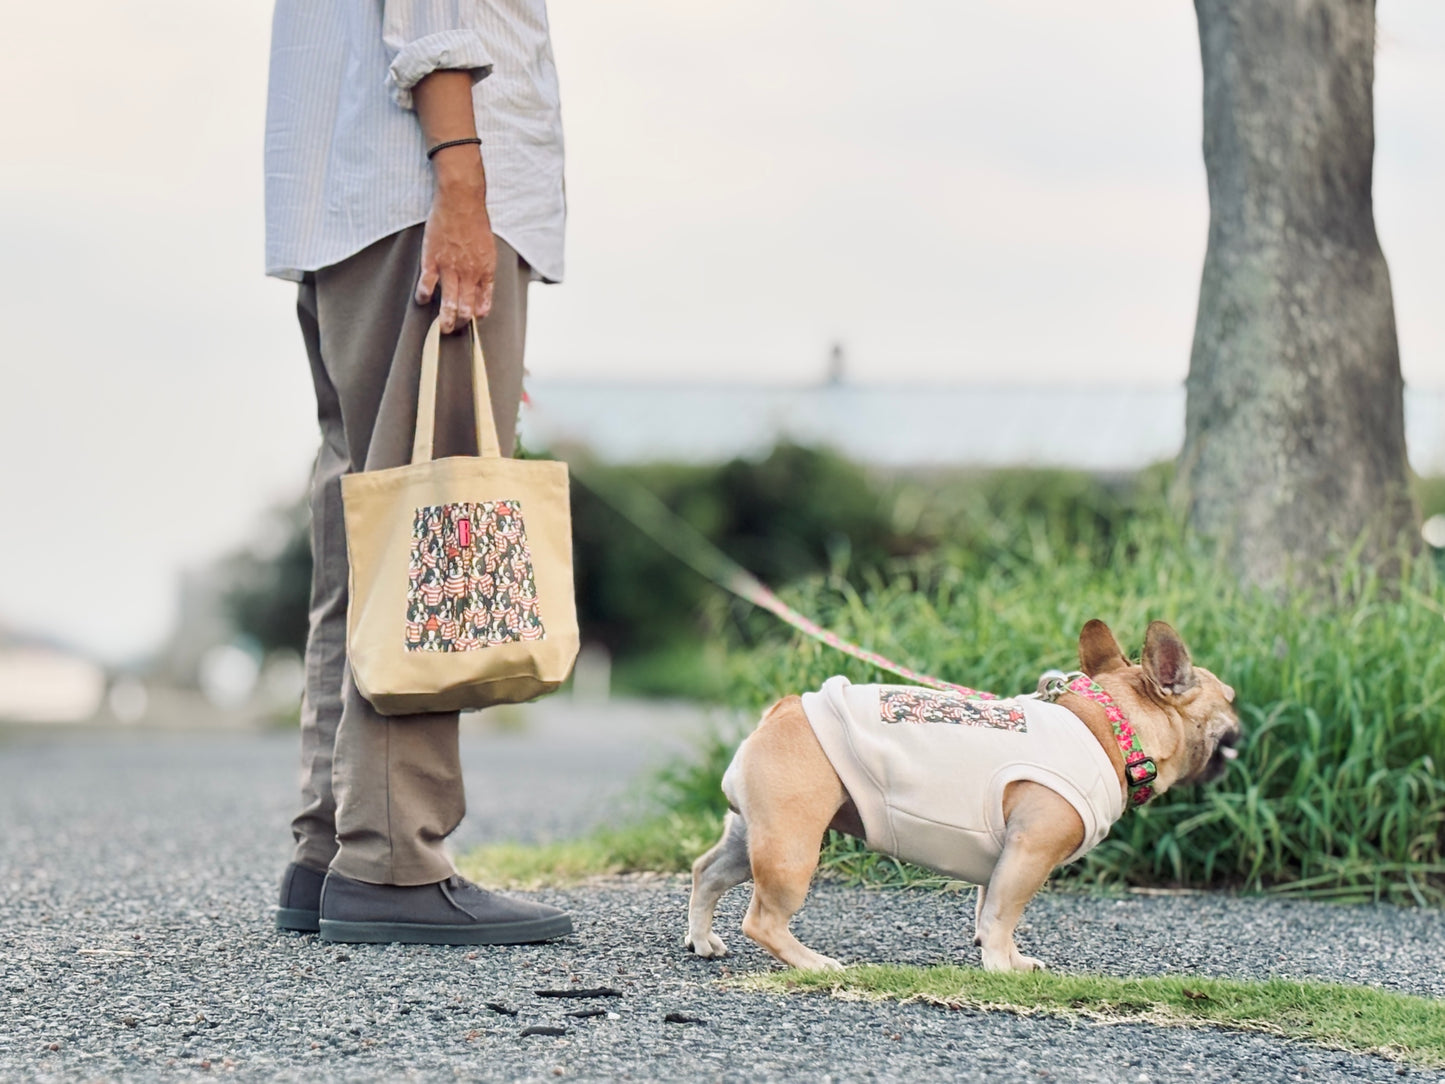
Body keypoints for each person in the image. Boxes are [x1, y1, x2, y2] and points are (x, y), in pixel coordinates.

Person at [264, 1, 571, 945]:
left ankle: (332, 845)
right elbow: (439, 22)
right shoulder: (445, 187)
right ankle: (394, 861)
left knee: (368, 530)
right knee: (425, 537)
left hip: (355, 205)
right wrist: (465, 194)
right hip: (419, 196)